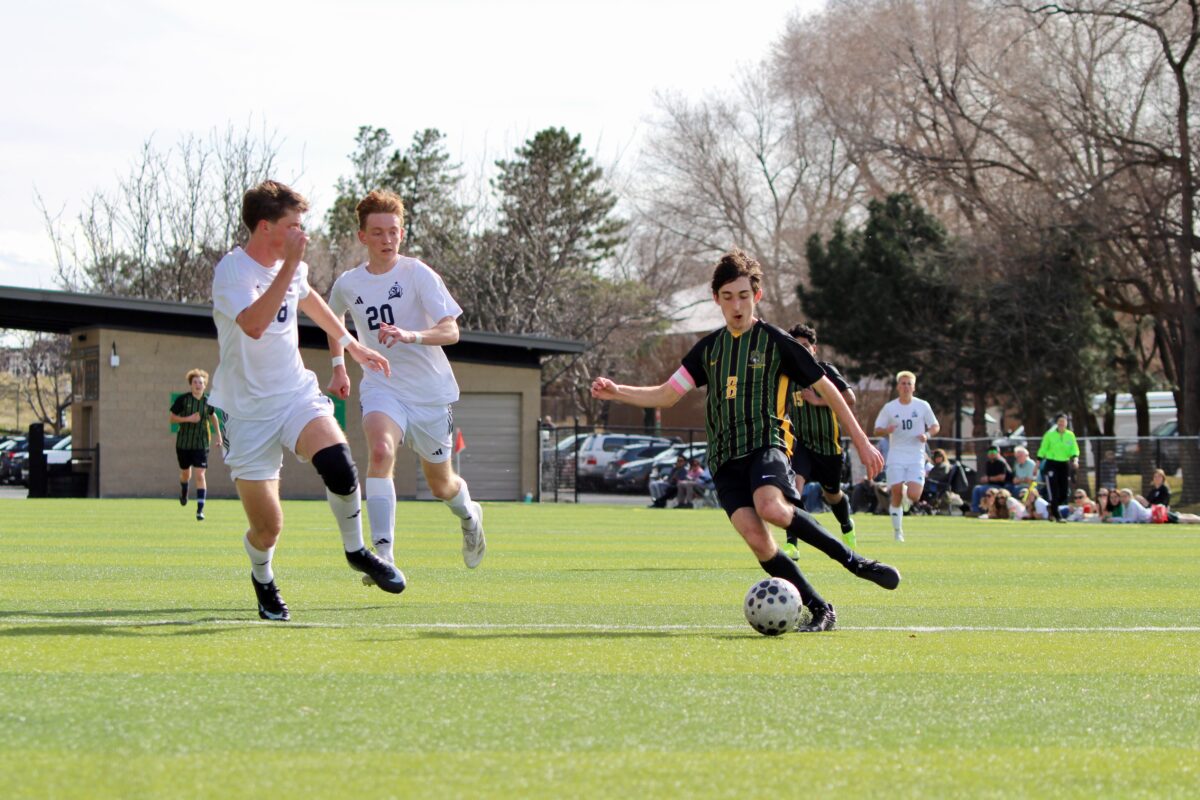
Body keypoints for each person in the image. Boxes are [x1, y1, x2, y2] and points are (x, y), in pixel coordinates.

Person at [590, 249, 898, 633]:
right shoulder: (709, 349)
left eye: (744, 296)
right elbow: (667, 394)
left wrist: (864, 443)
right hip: (723, 457)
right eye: (728, 296)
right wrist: (618, 391)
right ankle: (820, 608)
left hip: (766, 442)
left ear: (758, 296)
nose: (736, 305)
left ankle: (856, 562)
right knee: (758, 539)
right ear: (716, 298)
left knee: (770, 506)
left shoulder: (777, 342)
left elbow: (831, 391)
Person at [209, 180, 405, 622]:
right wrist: (291, 266)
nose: (303, 234)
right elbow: (255, 325)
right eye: (294, 225)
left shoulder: (289, 265)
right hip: (245, 413)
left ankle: (357, 550)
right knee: (268, 528)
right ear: (265, 227)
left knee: (339, 463)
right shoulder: (233, 271)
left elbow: (310, 301)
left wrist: (352, 346)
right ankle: (263, 579)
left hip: (294, 394)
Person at [327, 190, 486, 578]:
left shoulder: (417, 273)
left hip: (430, 394)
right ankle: (383, 555)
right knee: (380, 452)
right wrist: (340, 366)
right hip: (383, 386)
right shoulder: (348, 283)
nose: (387, 239)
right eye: (377, 232)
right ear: (362, 236)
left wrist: (411, 335)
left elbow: (451, 331)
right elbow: (334, 322)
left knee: (442, 485)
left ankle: (469, 515)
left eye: (393, 231)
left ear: (402, 233)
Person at [783, 323, 858, 553]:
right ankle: (791, 545)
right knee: (794, 488)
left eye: (806, 345)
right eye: (797, 345)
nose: (802, 349)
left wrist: (817, 400)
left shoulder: (826, 371)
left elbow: (850, 398)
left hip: (828, 448)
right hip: (802, 445)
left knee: (832, 495)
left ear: (814, 349)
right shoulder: (786, 377)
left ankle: (847, 526)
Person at [874, 371, 940, 541]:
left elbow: (935, 425)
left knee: (914, 495)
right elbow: (877, 429)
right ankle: (898, 532)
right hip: (896, 455)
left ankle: (906, 492)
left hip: (916, 456)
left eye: (908, 383)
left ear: (914, 387)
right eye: (902, 383)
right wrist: (886, 430)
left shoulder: (922, 406)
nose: (905, 386)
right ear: (898, 387)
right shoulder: (890, 407)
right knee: (895, 493)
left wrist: (927, 435)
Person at [168, 368, 223, 521]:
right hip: (184, 444)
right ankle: (184, 491)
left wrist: (218, 435)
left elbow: (213, 417)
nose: (198, 385)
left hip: (202, 444)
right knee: (186, 474)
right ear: (190, 384)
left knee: (200, 475)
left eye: (201, 382)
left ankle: (200, 510)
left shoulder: (208, 401)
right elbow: (172, 418)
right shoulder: (183, 400)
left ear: (205, 385)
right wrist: (188, 419)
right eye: (195, 382)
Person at [1037, 413, 1079, 522]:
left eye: (1063, 421)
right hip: (1051, 464)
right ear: (1057, 422)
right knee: (1054, 490)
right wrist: (1038, 461)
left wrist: (1075, 459)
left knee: (1064, 492)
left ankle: (1052, 507)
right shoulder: (1049, 435)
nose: (1061, 423)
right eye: (1060, 421)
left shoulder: (1070, 435)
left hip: (1064, 464)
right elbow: (1043, 449)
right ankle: (1057, 515)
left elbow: (1074, 449)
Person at [971, 447, 1015, 513]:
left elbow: (1002, 477)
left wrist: (988, 479)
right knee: (977, 488)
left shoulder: (1001, 462)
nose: (992, 454)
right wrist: (985, 479)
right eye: (990, 452)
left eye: (994, 452)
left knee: (983, 490)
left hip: (1002, 487)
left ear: (998, 453)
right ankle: (975, 510)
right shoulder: (988, 463)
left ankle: (985, 510)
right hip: (991, 485)